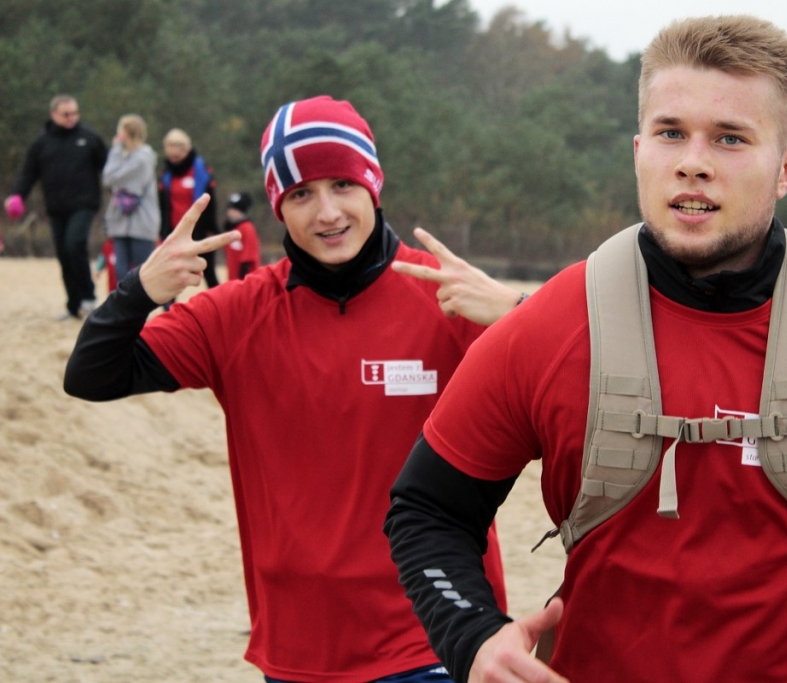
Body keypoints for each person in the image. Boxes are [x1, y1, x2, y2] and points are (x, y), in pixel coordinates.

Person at [384, 15, 787, 683]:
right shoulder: (550, 328)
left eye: (730, 137)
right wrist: (474, 637)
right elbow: (427, 508)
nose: (693, 161)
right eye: (670, 133)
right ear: (638, 151)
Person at [64, 96, 524, 683]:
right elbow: (91, 375)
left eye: (342, 184)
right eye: (302, 194)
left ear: (373, 184)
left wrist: (518, 311)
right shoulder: (236, 315)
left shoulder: (448, 300)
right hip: (300, 645)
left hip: (434, 632)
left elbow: (585, 391)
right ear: (278, 206)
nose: (327, 212)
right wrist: (140, 290)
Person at [4, 94, 107, 319]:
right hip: (56, 207)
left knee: (74, 244)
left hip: (84, 204)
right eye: (66, 114)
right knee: (63, 254)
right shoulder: (42, 144)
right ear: (54, 114)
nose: (72, 118)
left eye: (75, 113)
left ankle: (88, 297)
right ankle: (73, 305)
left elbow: (109, 169)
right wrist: (17, 196)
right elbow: (28, 174)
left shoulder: (90, 138)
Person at [102, 114, 160, 283]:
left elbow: (109, 178)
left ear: (126, 133)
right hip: (120, 224)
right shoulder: (126, 157)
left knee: (141, 274)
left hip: (141, 224)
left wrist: (115, 150)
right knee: (121, 273)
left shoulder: (142, 159)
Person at [159, 127, 220, 289]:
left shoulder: (201, 170)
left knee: (208, 272)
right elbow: (163, 206)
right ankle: (171, 305)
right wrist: (162, 232)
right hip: (174, 231)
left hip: (200, 230)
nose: (171, 153)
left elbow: (211, 201)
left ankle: (221, 302)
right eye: (168, 148)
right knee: (171, 275)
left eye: (174, 148)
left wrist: (211, 229)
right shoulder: (166, 174)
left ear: (185, 149)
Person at [222, 191, 261, 280]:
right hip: (233, 277)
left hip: (244, 277)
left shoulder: (247, 227)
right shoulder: (233, 228)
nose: (230, 212)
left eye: (234, 209)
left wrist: (243, 278)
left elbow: (249, 256)